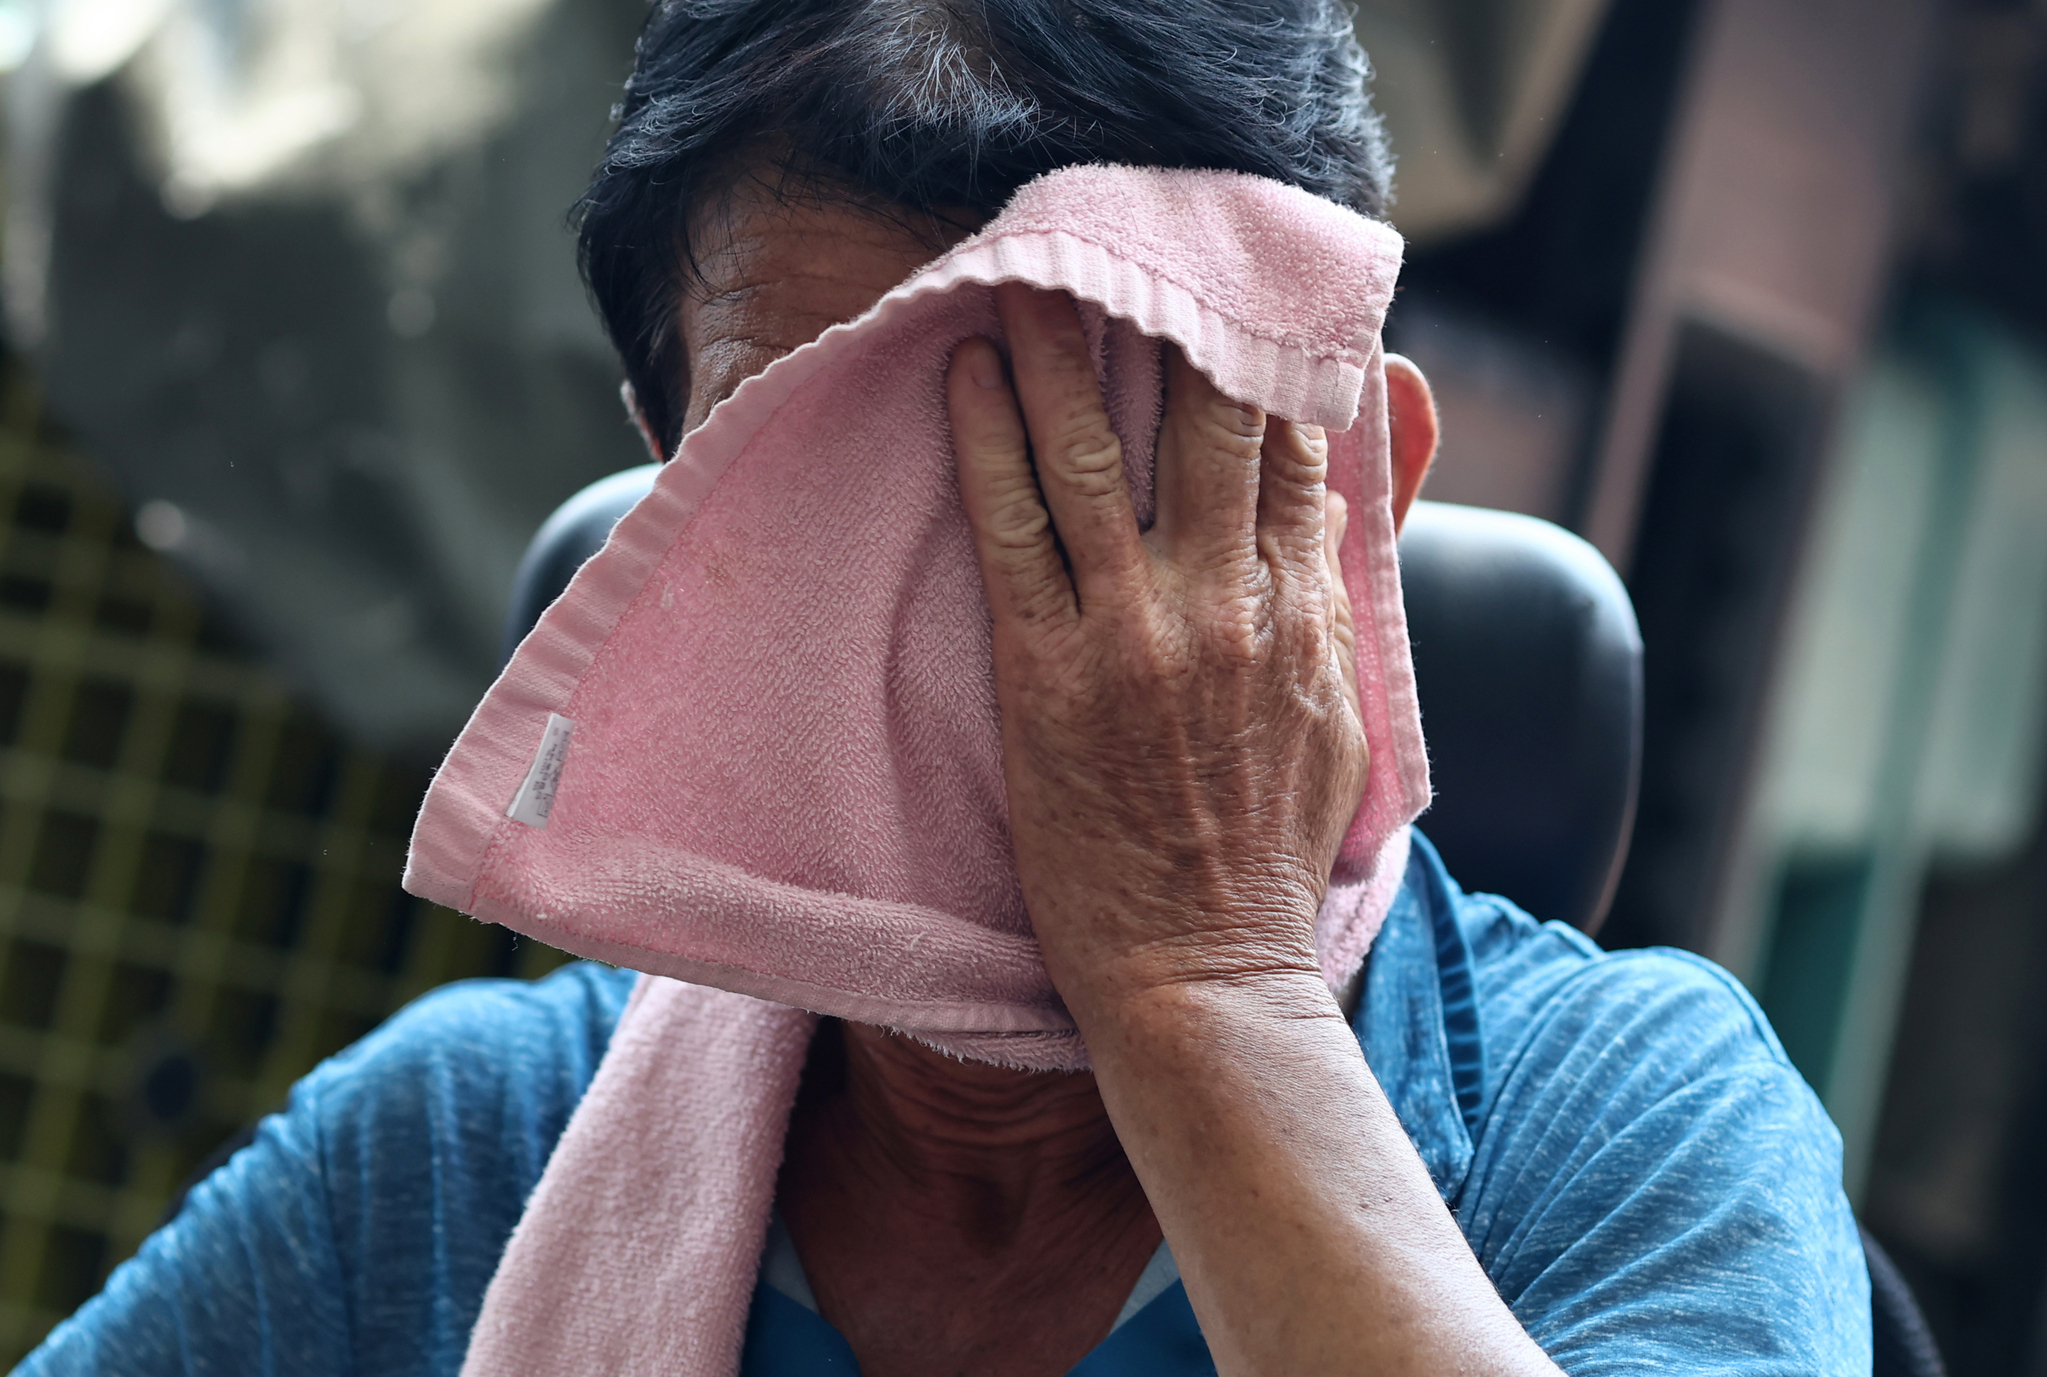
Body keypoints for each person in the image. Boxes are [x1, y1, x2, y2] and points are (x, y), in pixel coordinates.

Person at [18, 2, 1868, 1375]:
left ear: (1347, 489)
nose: (973, 634)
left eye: (1086, 491)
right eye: (821, 499)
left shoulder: (1625, 1125)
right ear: (667, 507)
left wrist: (1198, 988)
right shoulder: (448, 1169)